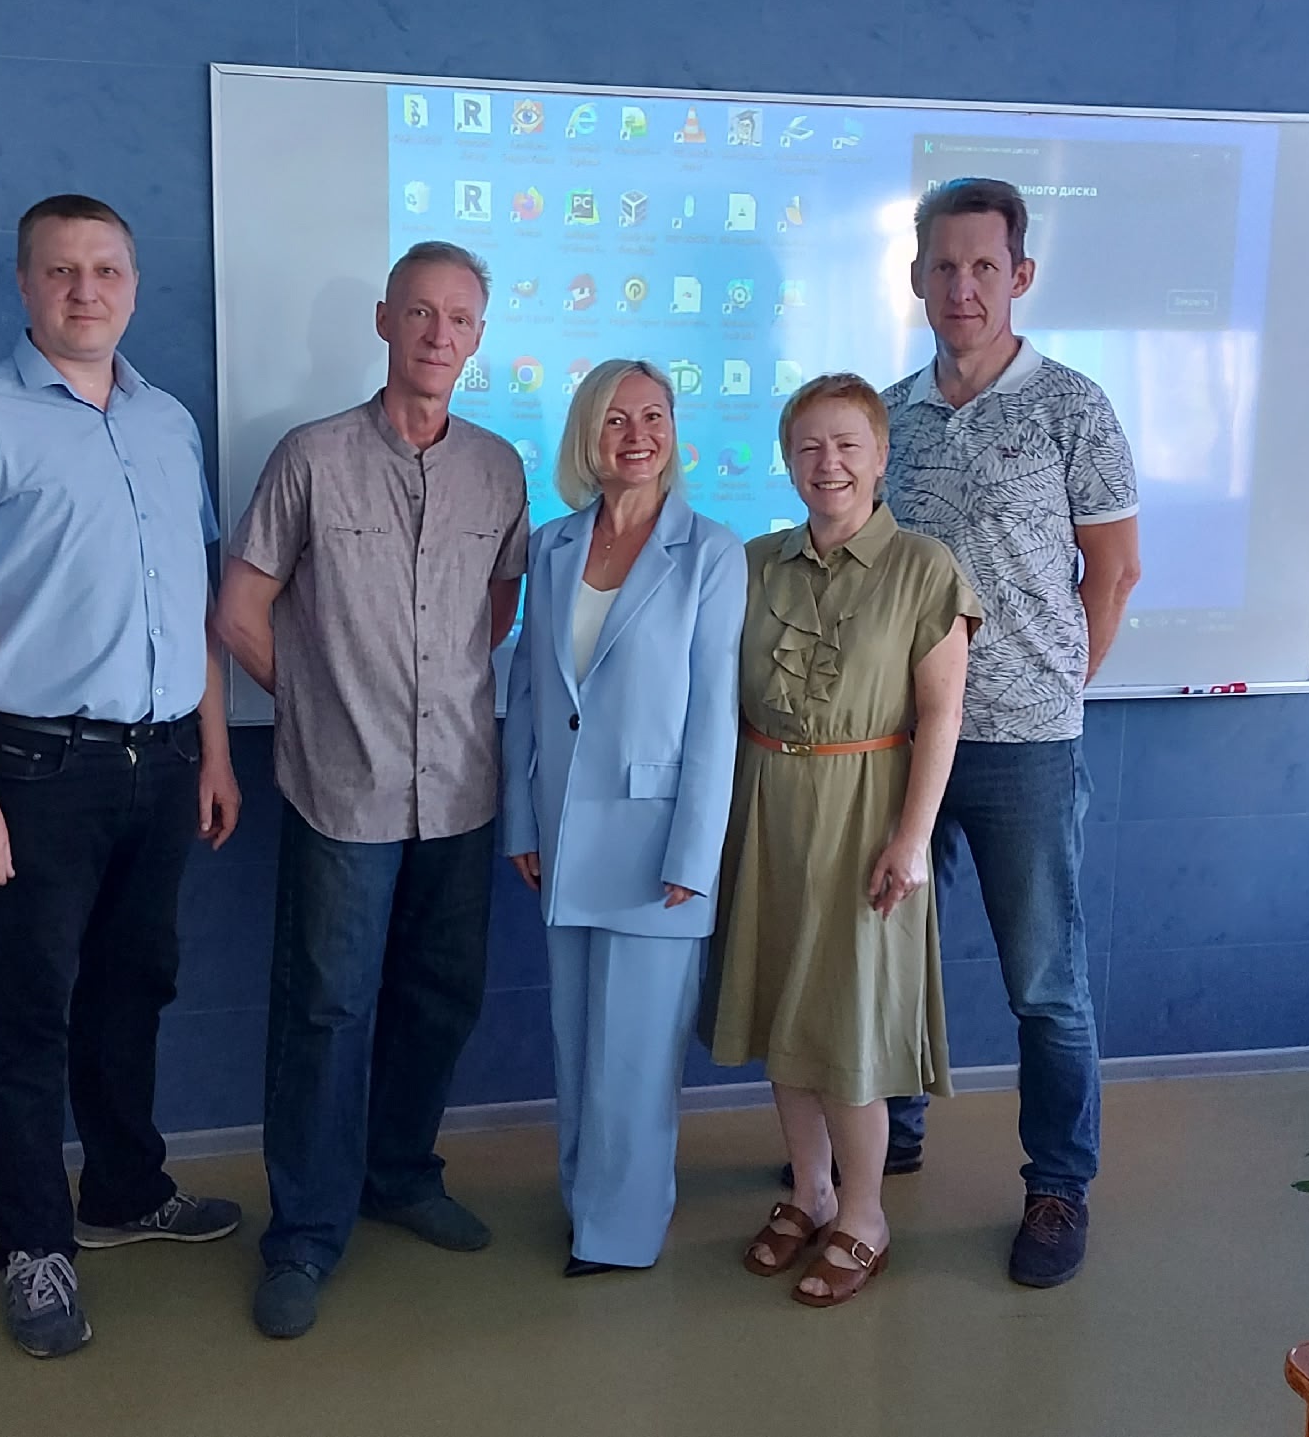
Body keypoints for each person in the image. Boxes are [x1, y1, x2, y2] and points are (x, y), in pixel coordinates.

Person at [0, 193, 245, 1359]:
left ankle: (125, 1188)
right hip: (33, 770)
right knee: (26, 1017)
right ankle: (33, 1246)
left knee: (133, 990)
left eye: (105, 270)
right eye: (60, 270)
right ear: (24, 283)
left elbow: (192, 603)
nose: (84, 290)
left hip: (164, 763)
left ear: (133, 287)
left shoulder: (169, 423)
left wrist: (216, 750)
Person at [215, 240, 530, 1339]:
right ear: (386, 320)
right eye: (421, 312)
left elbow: (497, 610)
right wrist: (317, 704)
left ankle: (399, 1173)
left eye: (461, 318)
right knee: (326, 1008)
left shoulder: (499, 468)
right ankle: (303, 1233)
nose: (440, 334)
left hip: (461, 786)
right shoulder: (310, 457)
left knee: (440, 993)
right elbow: (238, 611)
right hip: (340, 790)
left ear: (477, 337)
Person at [880, 177, 1142, 1288]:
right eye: (944, 266)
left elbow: (1113, 572)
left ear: (1019, 275)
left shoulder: (1071, 406)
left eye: (984, 266)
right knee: (890, 956)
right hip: (897, 745)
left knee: (1045, 981)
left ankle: (1057, 1185)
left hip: (1025, 748)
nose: (963, 287)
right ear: (916, 278)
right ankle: (887, 1135)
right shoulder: (889, 416)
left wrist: (1050, 690)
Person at [710, 373, 976, 1309]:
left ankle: (865, 1214)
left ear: (881, 456)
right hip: (767, 810)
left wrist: (913, 837)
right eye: (809, 446)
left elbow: (942, 715)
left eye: (848, 444)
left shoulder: (926, 568)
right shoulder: (753, 563)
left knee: (849, 1027)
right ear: (788, 461)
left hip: (866, 815)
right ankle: (810, 1191)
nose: (829, 463)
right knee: (784, 1016)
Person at [499, 360, 746, 1277]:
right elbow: (529, 694)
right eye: (615, 418)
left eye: (653, 417)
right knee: (578, 1044)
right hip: (565, 835)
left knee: (635, 1058)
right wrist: (520, 819)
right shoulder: (553, 545)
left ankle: (621, 1233)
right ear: (586, 436)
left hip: (657, 842)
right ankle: (586, 1204)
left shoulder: (711, 552)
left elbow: (716, 714)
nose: (636, 435)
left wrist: (696, 851)